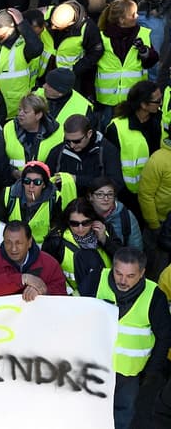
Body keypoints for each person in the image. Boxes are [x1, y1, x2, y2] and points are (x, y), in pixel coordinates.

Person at [83, 247, 171, 429]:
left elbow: (164, 336)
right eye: (118, 273)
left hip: (129, 374)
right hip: (95, 365)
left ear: (142, 273)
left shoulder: (154, 296)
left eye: (130, 276)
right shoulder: (96, 280)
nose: (123, 280)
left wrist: (152, 371)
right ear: (113, 268)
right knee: (91, 412)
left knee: (124, 414)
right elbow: (77, 312)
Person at [42, 198, 123, 294]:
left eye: (85, 223)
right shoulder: (56, 241)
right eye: (74, 223)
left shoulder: (105, 230)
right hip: (73, 298)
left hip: (106, 293)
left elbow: (123, 259)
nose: (80, 229)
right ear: (67, 222)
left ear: (93, 220)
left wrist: (105, 240)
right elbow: (46, 274)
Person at [0, 8, 43, 118]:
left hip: (13, 111)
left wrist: (21, 23)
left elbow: (37, 48)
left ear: (10, 28)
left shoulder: (22, 46)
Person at [106, 81, 163, 205]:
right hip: (130, 195)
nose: (161, 104)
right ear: (143, 104)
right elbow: (111, 166)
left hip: (158, 190)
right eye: (157, 101)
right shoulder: (117, 128)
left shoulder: (161, 121)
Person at [96, 0, 159, 109]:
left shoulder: (142, 33)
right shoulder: (101, 37)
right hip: (107, 101)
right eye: (133, 14)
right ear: (121, 20)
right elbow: (91, 67)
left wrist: (145, 52)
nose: (137, 17)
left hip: (134, 99)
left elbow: (152, 61)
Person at [0, 220, 67, 299]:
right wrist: (22, 279)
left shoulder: (49, 263)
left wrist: (44, 291)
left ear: (29, 242)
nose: (13, 249)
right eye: (8, 243)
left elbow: (62, 294)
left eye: (19, 243)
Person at [45, 114, 125, 193]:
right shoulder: (58, 151)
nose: (72, 145)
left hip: (98, 204)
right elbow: (46, 182)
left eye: (77, 141)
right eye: (68, 141)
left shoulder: (108, 151)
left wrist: (77, 179)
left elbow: (116, 184)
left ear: (89, 134)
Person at [2, 160, 69, 245]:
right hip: (14, 245)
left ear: (44, 184)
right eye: (27, 181)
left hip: (41, 246)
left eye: (37, 182)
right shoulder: (8, 195)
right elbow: (0, 226)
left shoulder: (55, 199)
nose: (31, 186)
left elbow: (56, 228)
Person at [43, 0, 103, 82]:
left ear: (71, 23)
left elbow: (96, 52)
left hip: (65, 77)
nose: (52, 27)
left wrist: (76, 69)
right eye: (52, 23)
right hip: (43, 72)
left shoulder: (88, 28)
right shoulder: (46, 12)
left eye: (57, 26)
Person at [2, 93, 62, 171]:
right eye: (19, 110)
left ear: (38, 115)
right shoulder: (8, 127)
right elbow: (0, 158)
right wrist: (13, 171)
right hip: (12, 180)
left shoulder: (57, 133)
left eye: (25, 112)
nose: (20, 114)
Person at [139, 135, 171, 279]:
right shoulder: (158, 160)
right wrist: (155, 225)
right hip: (160, 226)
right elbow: (146, 195)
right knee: (156, 271)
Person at [89, 177, 142, 251]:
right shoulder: (83, 215)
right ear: (91, 197)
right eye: (100, 194)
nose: (106, 199)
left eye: (110, 194)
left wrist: (105, 240)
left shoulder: (126, 216)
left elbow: (136, 252)